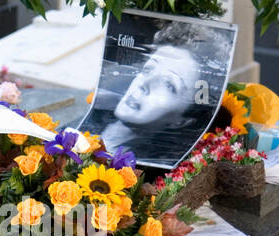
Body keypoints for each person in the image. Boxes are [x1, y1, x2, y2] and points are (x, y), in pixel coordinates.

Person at [82, 20, 231, 167]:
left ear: (182, 121)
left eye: (168, 84)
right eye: (148, 69)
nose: (144, 84)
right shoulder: (78, 130)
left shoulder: (150, 179)